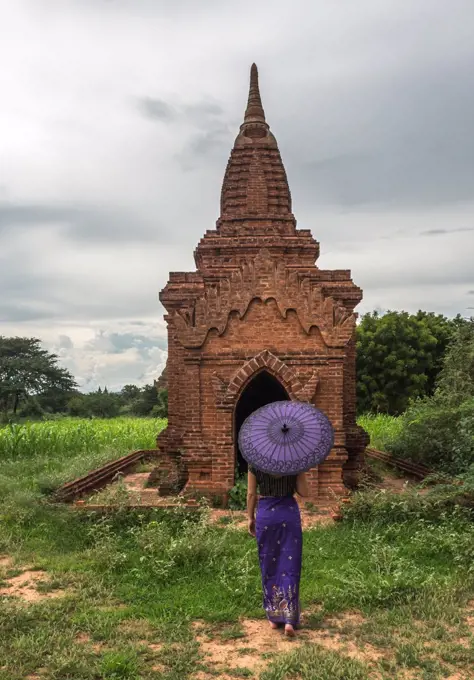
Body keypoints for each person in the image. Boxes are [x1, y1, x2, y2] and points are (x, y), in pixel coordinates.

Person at [247, 465, 309, 637]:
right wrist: (300, 469)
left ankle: (274, 618)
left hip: (267, 514)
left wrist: (250, 517)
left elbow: (251, 494)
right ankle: (289, 619)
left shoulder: (256, 463)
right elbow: (304, 492)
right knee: (290, 564)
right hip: (288, 513)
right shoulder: (293, 462)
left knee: (269, 564)